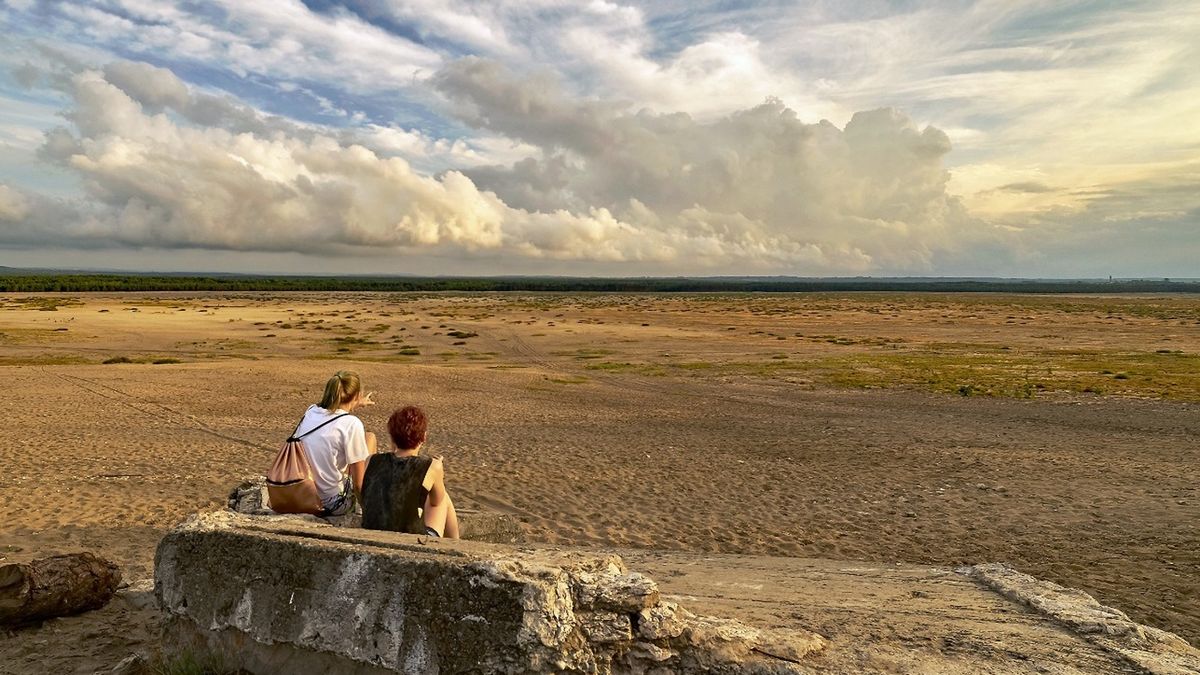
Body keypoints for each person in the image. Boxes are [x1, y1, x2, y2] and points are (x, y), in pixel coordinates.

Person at [361, 405, 460, 538]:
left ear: (392, 436)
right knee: (443, 499)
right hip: (411, 540)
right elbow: (436, 501)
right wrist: (439, 471)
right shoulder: (431, 466)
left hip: (372, 532)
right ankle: (456, 545)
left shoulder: (371, 460)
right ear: (424, 437)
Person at [295, 370, 377, 516]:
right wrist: (367, 511)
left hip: (304, 492)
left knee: (340, 451)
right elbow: (358, 484)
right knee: (369, 438)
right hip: (332, 503)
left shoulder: (311, 411)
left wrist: (356, 402)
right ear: (357, 396)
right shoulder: (351, 424)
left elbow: (333, 411)